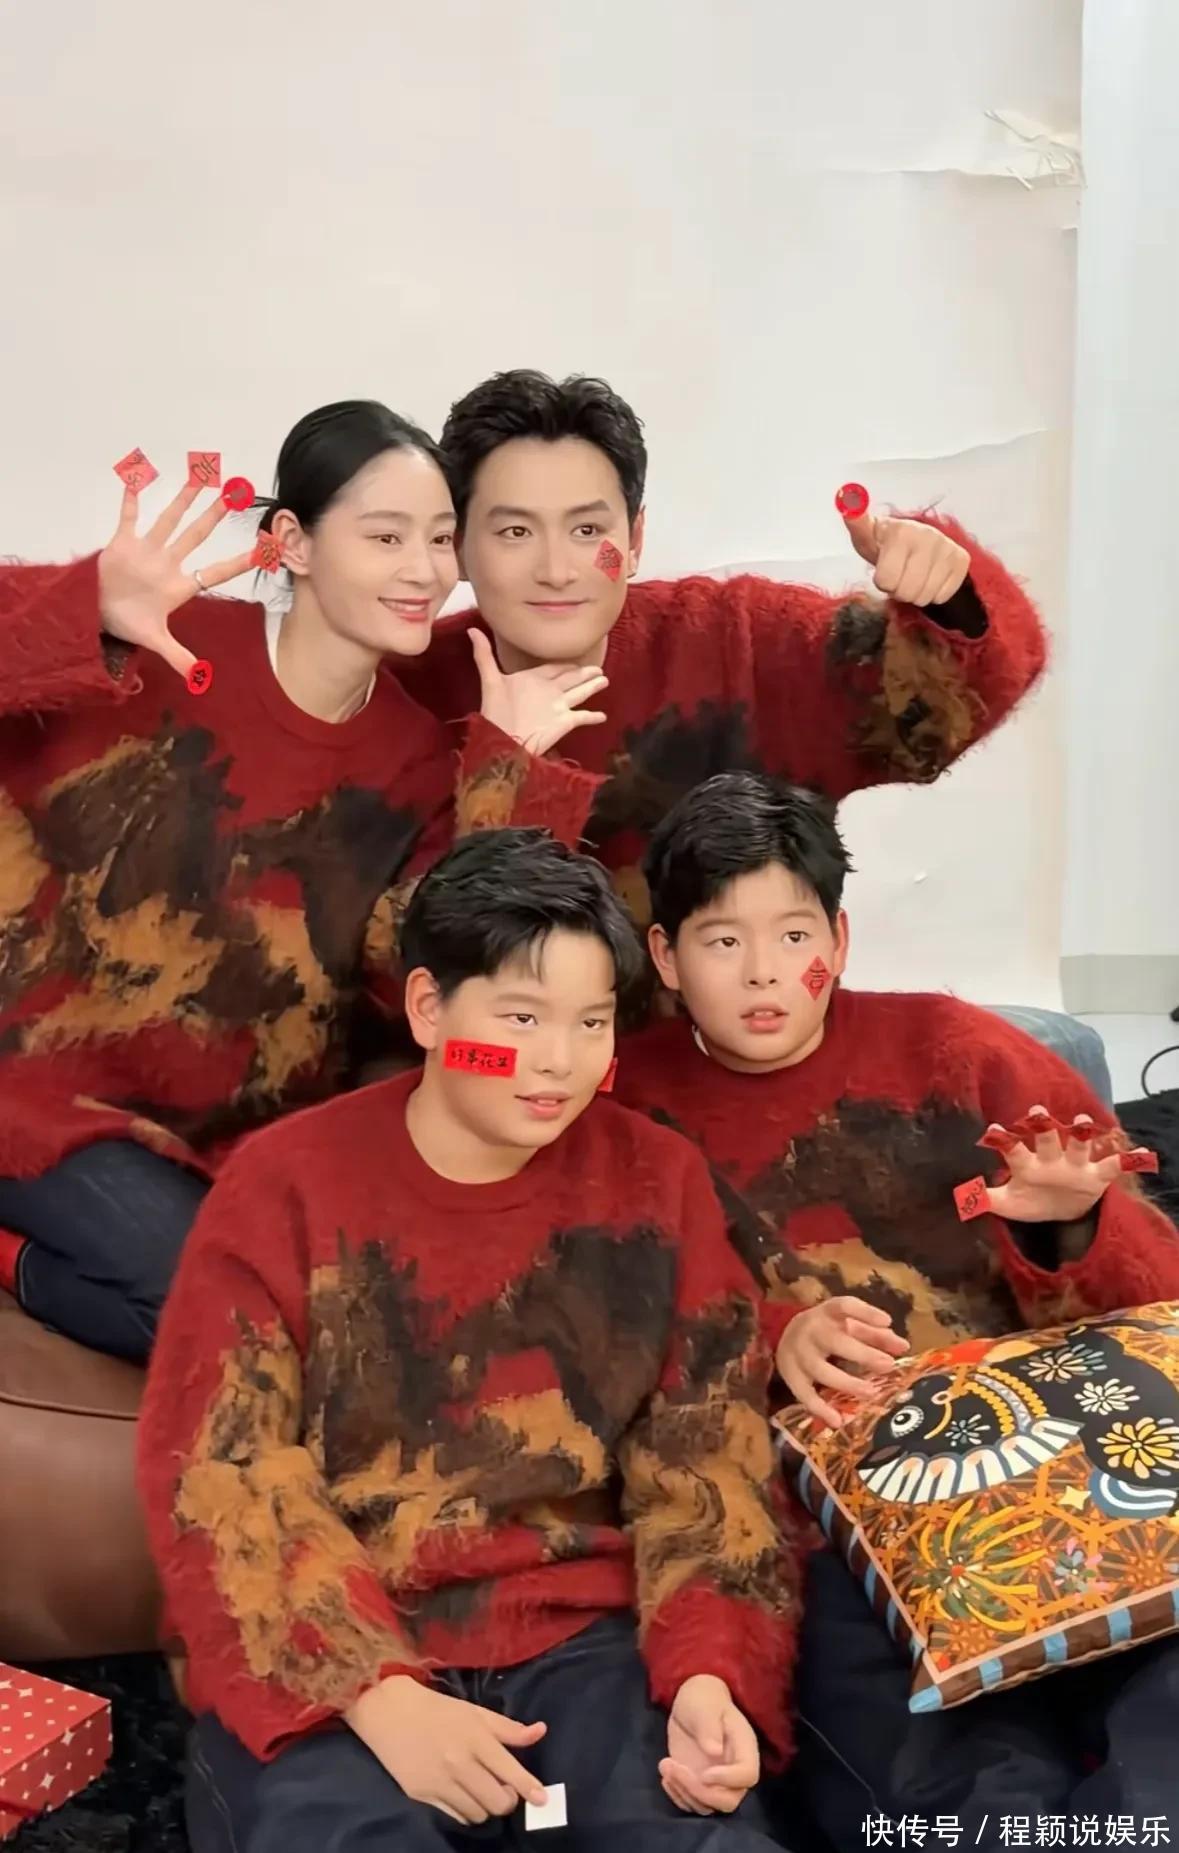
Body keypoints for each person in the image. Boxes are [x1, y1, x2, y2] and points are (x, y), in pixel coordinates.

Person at [138, 828, 795, 1853]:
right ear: (429, 1008)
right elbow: (224, 1472)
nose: (559, 1061)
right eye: (521, 1018)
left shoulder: (655, 1179)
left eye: (590, 1022)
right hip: (336, 1650)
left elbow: (710, 1456)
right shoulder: (284, 1182)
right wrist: (376, 1690)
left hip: (580, 1641)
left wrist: (708, 1670)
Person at [613, 770, 1179, 1846]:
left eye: (793, 934)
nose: (765, 972)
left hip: (1075, 1491)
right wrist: (773, 1339)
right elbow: (594, 1324)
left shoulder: (959, 1051)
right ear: (665, 957)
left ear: (839, 937)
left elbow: (1156, 1321)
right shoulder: (618, 1105)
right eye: (723, 941)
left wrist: (1069, 1230)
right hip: (844, 1538)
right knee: (960, 1801)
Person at [0, 402, 601, 1361]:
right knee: (197, 1296)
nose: (424, 570)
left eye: (440, 538)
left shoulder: (415, 755)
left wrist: (509, 780)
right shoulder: (173, 640)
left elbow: (429, 977)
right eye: (386, 537)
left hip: (223, 1139)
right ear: (293, 542)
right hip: (35, 1086)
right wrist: (85, 607)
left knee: (304, 1327)